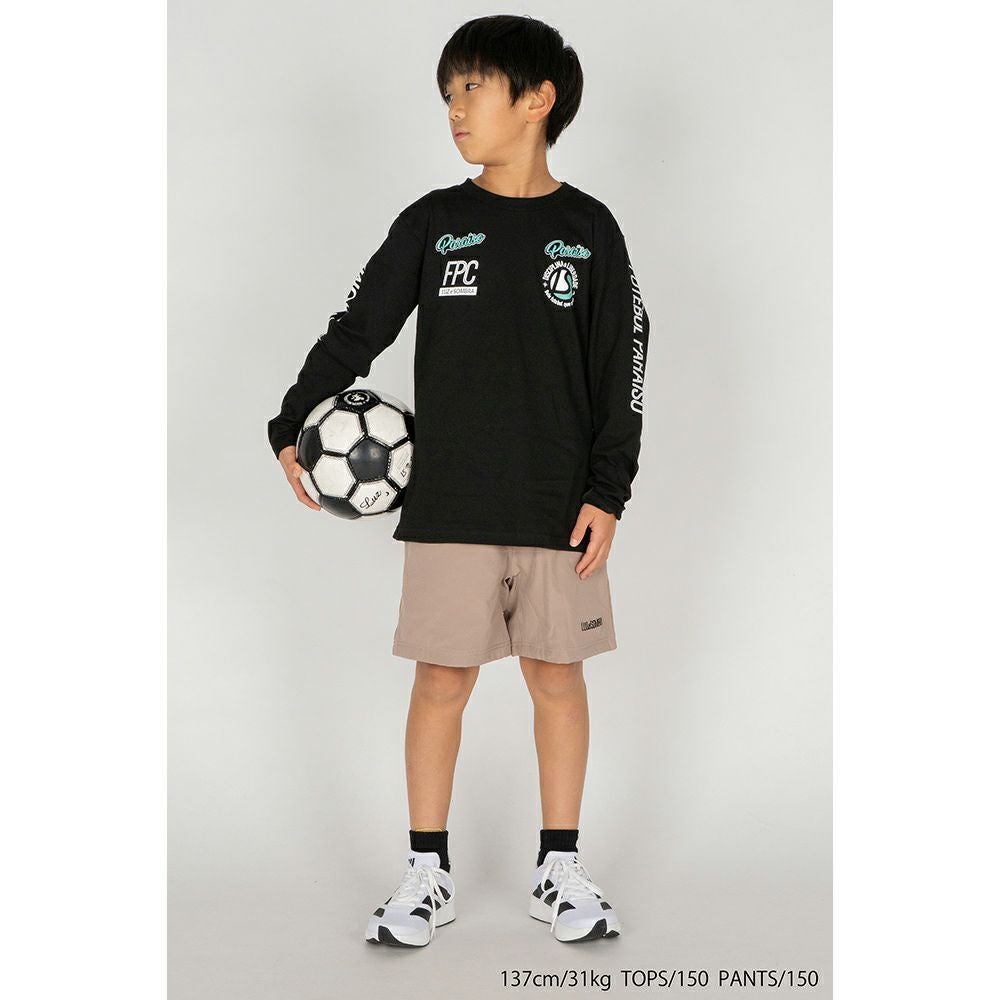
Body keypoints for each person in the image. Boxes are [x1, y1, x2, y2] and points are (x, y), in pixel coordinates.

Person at [267, 14, 650, 947]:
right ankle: (425, 873)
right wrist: (291, 420)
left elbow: (624, 366)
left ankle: (559, 867)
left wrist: (608, 490)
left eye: (472, 87)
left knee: (557, 677)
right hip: (450, 505)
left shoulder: (590, 230)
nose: (455, 109)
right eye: (448, 93)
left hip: (560, 506)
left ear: (537, 99)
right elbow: (359, 328)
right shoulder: (433, 224)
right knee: (441, 680)